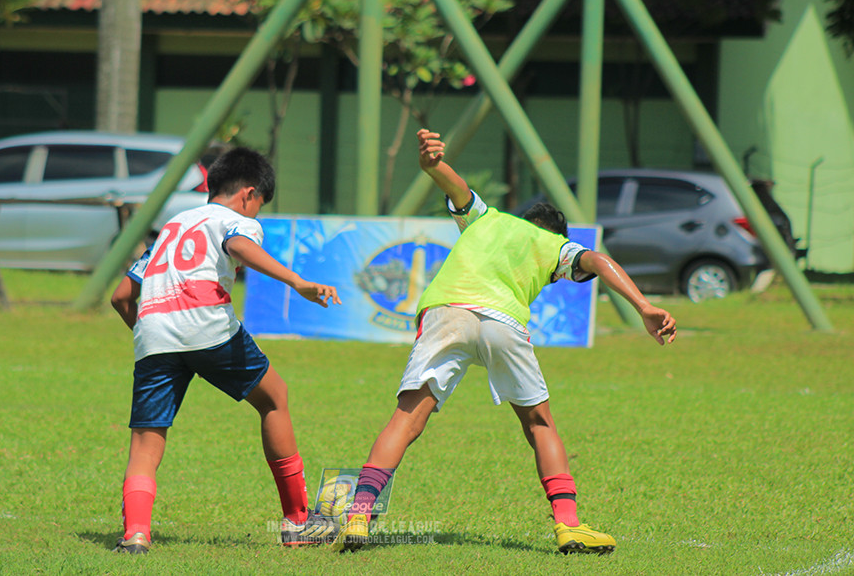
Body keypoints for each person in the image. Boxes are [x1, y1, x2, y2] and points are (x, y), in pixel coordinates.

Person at [332, 129, 676, 555]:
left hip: (445, 311)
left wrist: (431, 164)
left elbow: (455, 187)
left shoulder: (486, 218)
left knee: (406, 418)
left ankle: (359, 514)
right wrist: (644, 306)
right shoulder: (556, 246)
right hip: (502, 320)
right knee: (539, 424)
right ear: (557, 234)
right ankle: (569, 527)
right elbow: (600, 260)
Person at [110, 146, 342, 554]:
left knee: (146, 442)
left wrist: (156, 336)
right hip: (208, 325)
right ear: (249, 194)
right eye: (259, 205)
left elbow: (120, 296)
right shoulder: (236, 221)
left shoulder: (174, 226)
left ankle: (136, 536)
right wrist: (297, 281)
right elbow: (237, 246)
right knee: (274, 398)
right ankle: (298, 522)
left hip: (154, 332)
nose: (256, 214)